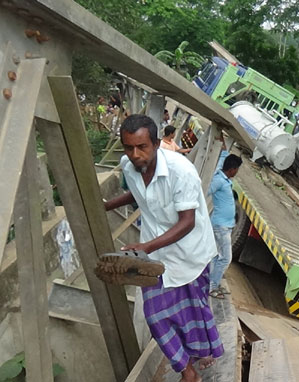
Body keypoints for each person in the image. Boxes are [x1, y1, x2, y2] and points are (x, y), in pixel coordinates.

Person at [103, 114, 223, 382]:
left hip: (190, 252)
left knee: (194, 310)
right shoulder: (129, 165)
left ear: (156, 144)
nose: (135, 154)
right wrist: (107, 205)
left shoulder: (181, 172)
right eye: (128, 147)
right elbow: (138, 191)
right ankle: (187, 371)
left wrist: (145, 245)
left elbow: (188, 222)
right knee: (155, 314)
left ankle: (197, 356)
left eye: (142, 147)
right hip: (157, 255)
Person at [208, 142, 243, 299]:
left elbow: (223, 158)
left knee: (217, 256)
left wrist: (223, 147)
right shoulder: (219, 181)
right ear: (232, 169)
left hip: (224, 225)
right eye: (237, 169)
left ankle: (211, 284)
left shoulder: (223, 175)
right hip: (220, 226)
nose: (237, 172)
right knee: (226, 259)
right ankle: (213, 287)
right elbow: (206, 191)